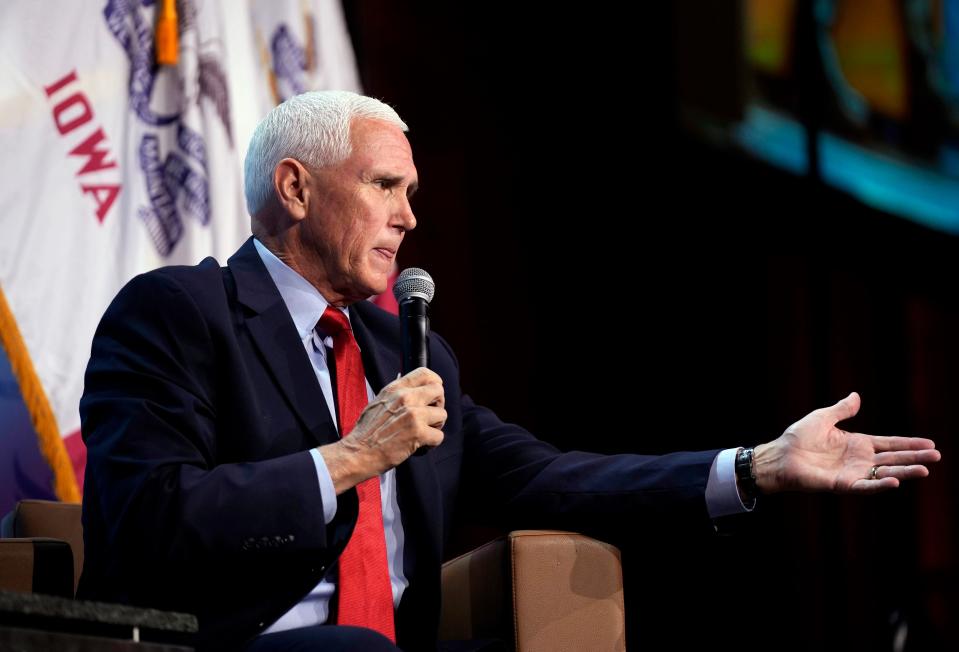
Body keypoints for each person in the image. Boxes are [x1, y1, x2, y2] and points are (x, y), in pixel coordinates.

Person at [77, 91, 941, 652]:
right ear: (296, 189)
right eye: (385, 186)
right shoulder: (177, 316)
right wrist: (348, 459)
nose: (409, 217)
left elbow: (548, 479)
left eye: (411, 192)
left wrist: (754, 467)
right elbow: (145, 522)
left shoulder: (407, 355)